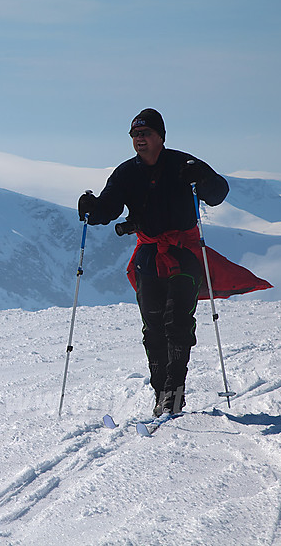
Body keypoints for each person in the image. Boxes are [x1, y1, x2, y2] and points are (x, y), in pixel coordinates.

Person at [77, 108, 230, 417]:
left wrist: (202, 178)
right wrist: (92, 211)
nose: (139, 140)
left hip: (185, 252)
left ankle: (174, 393)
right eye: (135, 135)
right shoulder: (125, 173)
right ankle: (161, 392)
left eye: (145, 134)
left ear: (161, 136)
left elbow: (218, 193)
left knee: (177, 322)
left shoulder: (184, 164)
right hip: (148, 255)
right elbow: (108, 208)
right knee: (153, 328)